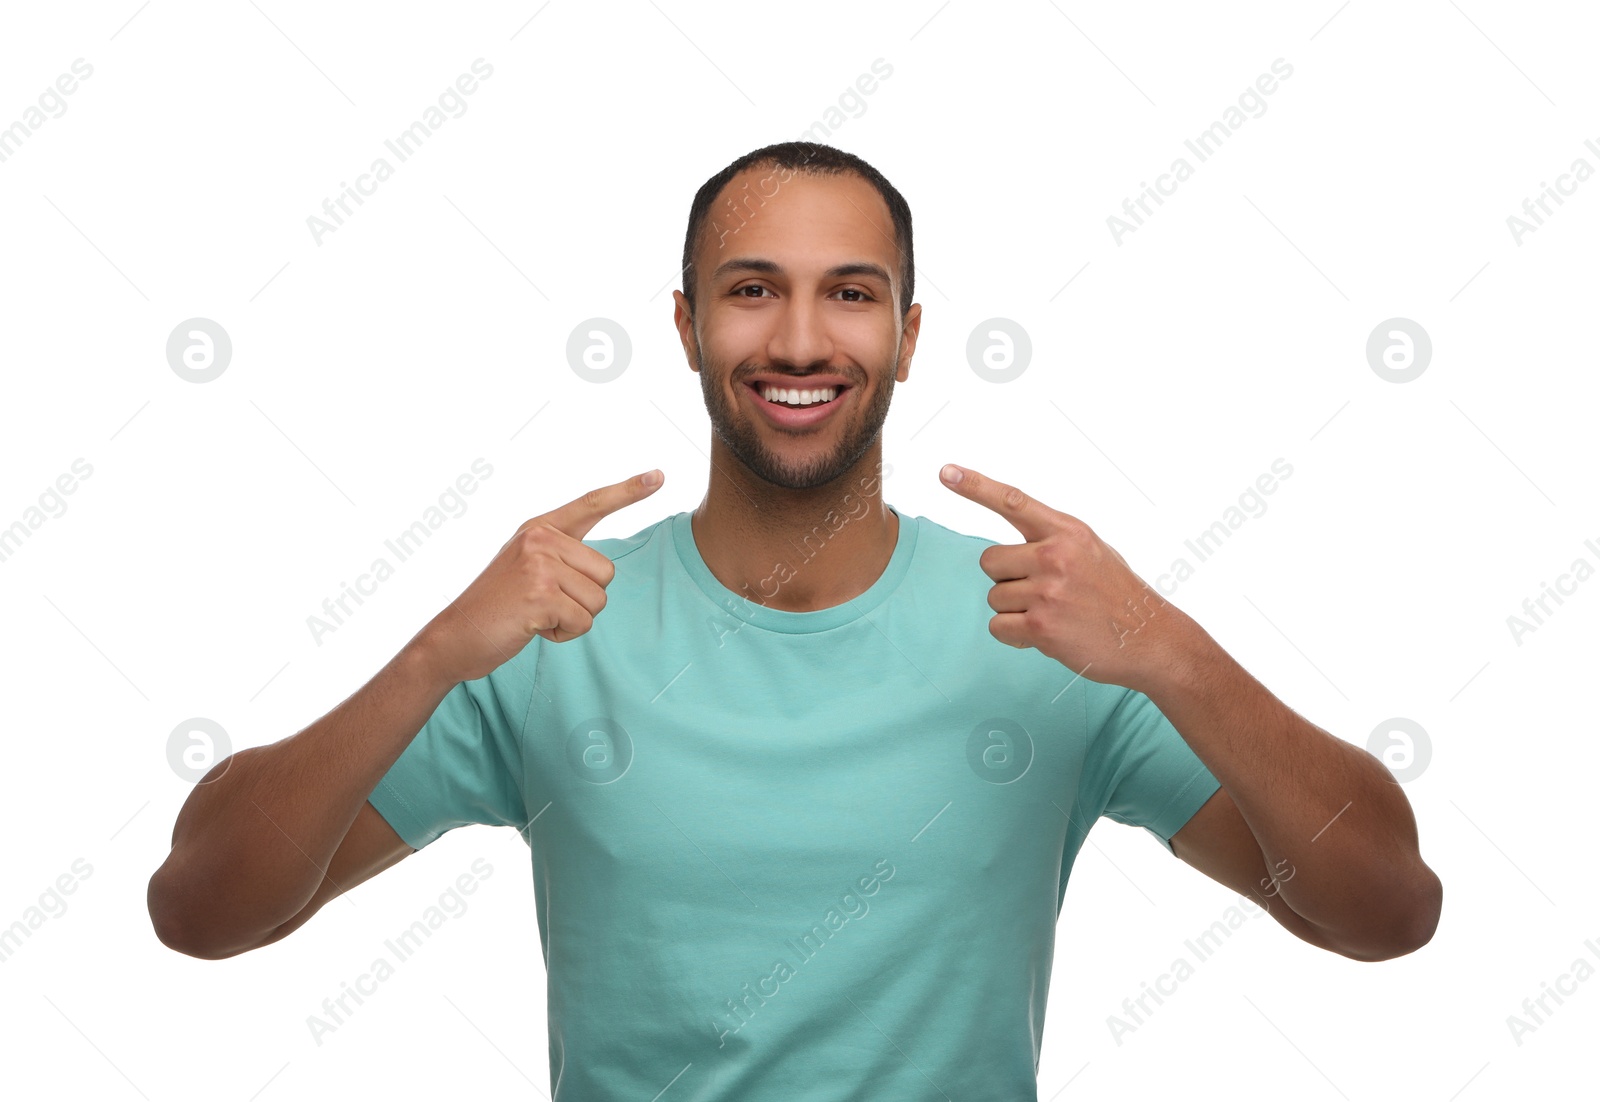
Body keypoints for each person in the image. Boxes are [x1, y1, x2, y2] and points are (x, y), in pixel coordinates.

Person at [147, 141, 1442, 1099]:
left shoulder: (1047, 633)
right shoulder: (555, 629)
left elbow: (1383, 909)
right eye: (754, 288)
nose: (803, 339)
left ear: (910, 332)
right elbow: (205, 910)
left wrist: (1172, 648)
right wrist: (430, 657)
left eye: (853, 292)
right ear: (688, 324)